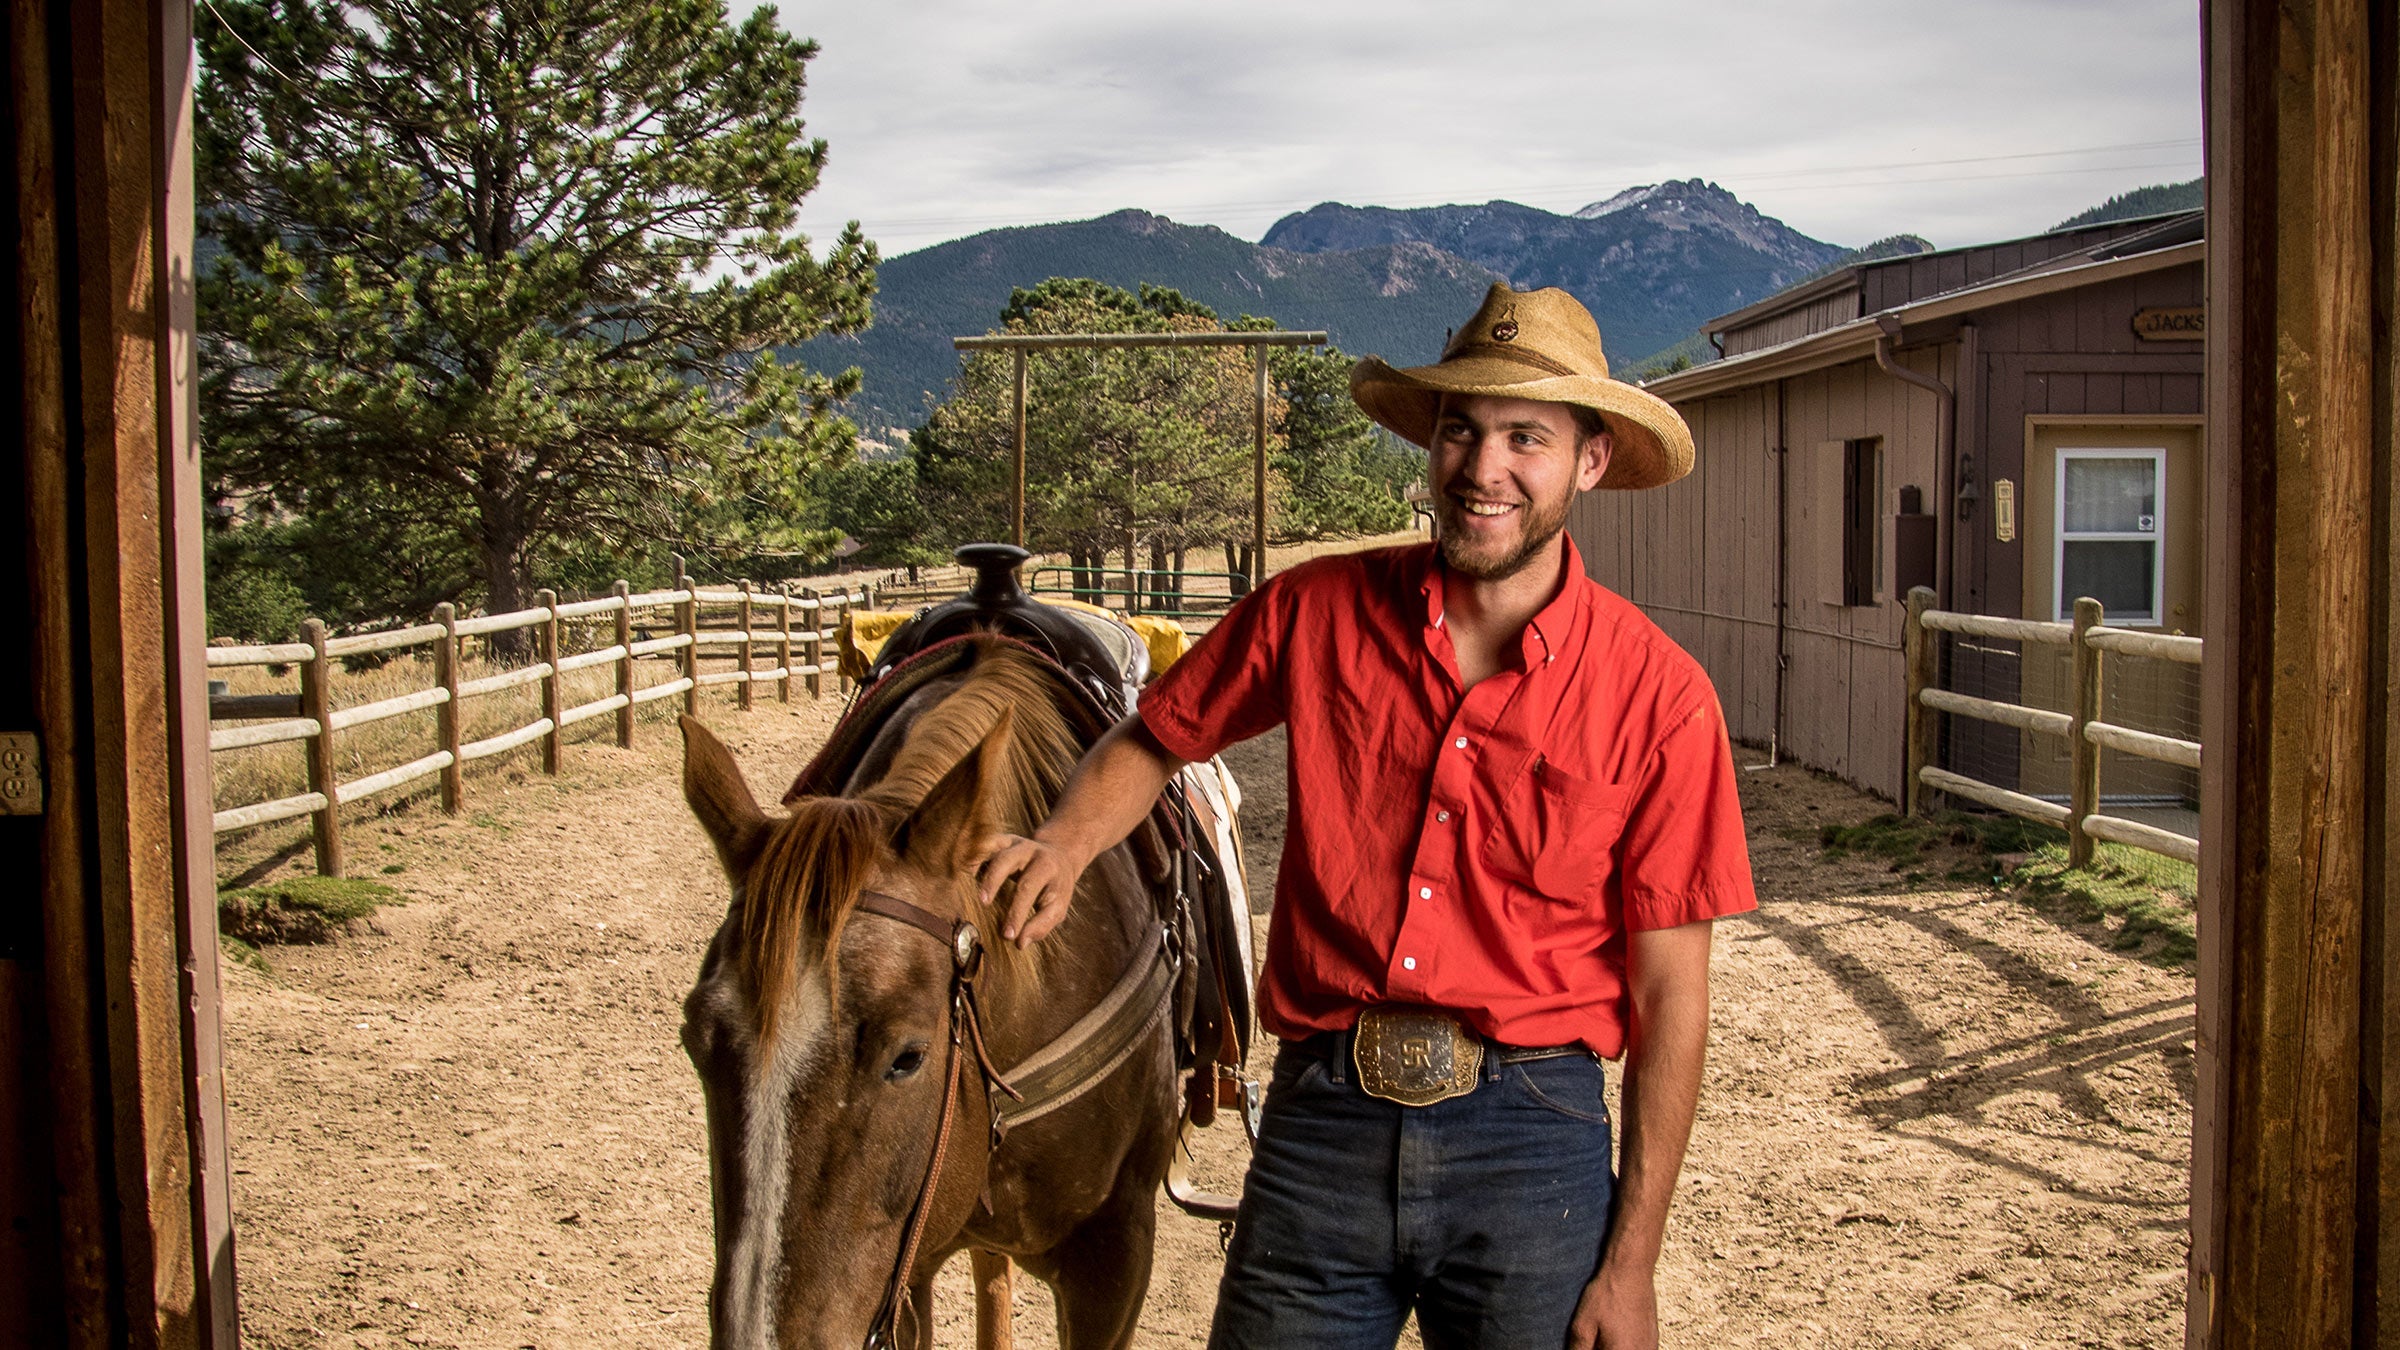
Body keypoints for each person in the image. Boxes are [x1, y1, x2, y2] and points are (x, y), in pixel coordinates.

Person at [976, 283, 1757, 1350]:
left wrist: (1632, 1264)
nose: (1483, 469)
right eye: (1460, 431)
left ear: (1591, 461)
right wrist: (1063, 845)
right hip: (1324, 1124)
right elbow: (1161, 733)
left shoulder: (1662, 698)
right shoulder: (1312, 610)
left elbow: (1674, 997)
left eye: (1526, 437)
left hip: (1536, 1146)